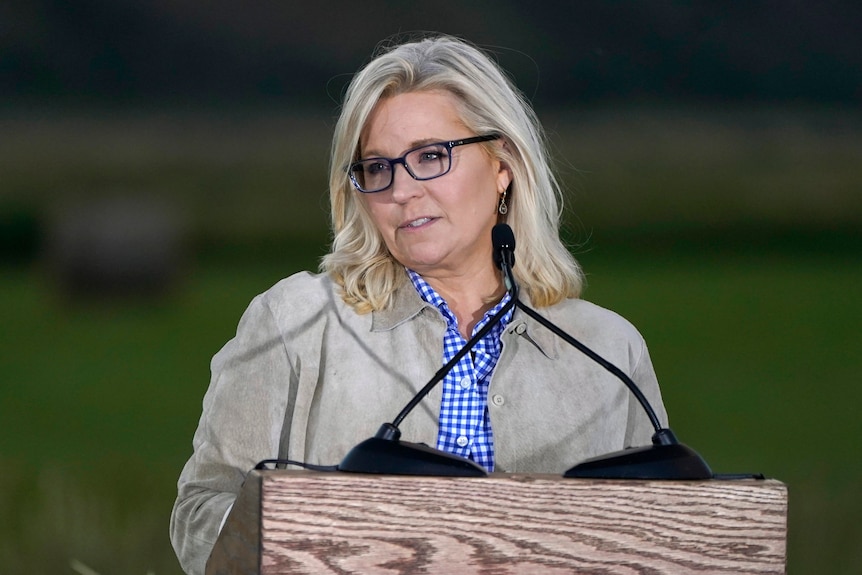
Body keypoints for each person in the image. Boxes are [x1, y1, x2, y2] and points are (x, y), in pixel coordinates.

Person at [170, 34, 667, 574]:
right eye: (378, 168)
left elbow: (669, 531)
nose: (402, 190)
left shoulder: (608, 349)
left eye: (431, 156)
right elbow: (202, 512)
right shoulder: (295, 322)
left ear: (503, 164)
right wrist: (317, 550)